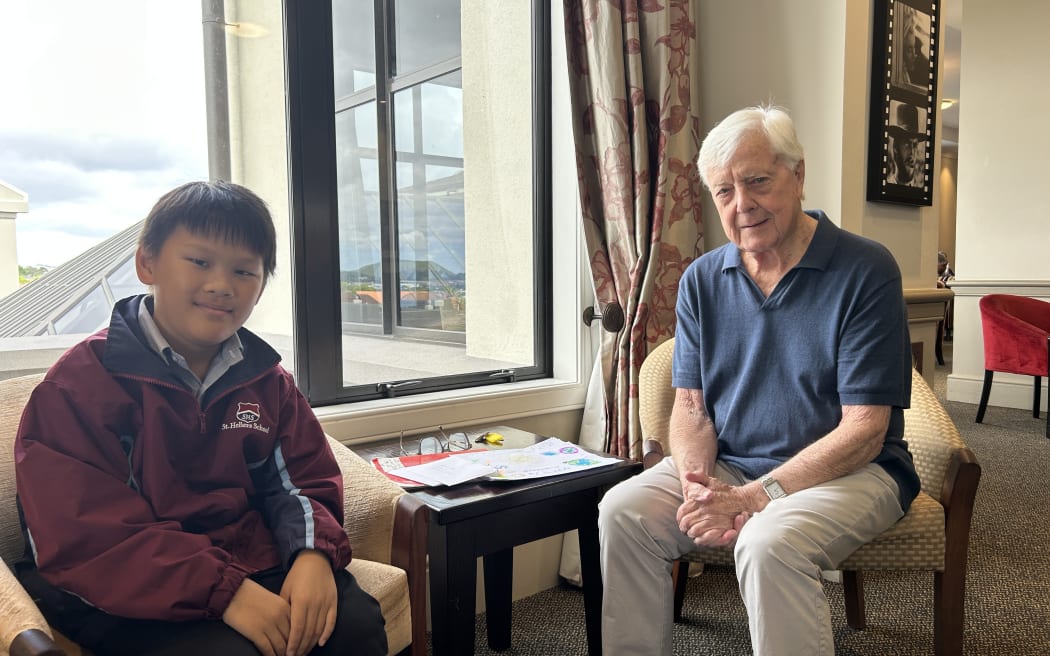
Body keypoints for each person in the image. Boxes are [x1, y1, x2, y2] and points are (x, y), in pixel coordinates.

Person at [14, 181, 387, 656]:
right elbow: (85, 533)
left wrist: (312, 555)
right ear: (146, 263)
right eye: (200, 262)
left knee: (352, 626)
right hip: (122, 584)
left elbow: (303, 481)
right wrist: (224, 591)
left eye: (244, 270)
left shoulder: (267, 381)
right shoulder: (79, 385)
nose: (221, 285)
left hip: (245, 556)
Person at [598, 106, 919, 655]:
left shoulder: (866, 268)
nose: (741, 205)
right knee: (622, 511)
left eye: (757, 181)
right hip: (733, 465)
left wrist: (753, 497)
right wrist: (699, 484)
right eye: (723, 192)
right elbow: (692, 407)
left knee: (770, 543)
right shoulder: (702, 278)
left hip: (854, 472)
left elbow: (865, 430)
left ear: (797, 175)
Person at [887, 103, 925, 187]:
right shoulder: (888, 183)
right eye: (907, 144)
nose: (912, 152)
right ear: (896, 148)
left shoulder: (920, 186)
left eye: (915, 145)